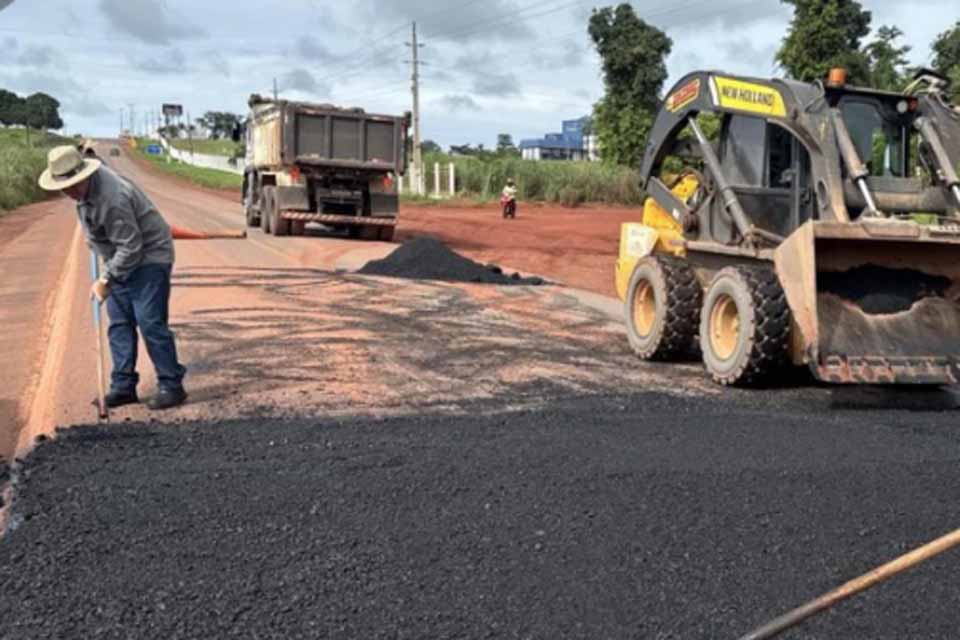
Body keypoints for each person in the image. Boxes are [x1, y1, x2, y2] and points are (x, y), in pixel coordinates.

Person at [38, 145, 187, 410]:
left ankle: (171, 385)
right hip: (120, 258)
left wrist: (107, 279)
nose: (69, 193)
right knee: (119, 324)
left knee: (149, 322)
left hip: (149, 258)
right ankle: (123, 387)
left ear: (84, 176)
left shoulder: (112, 197)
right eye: (65, 188)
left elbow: (132, 247)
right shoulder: (84, 193)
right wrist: (107, 266)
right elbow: (101, 237)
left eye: (73, 187)